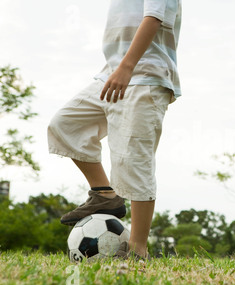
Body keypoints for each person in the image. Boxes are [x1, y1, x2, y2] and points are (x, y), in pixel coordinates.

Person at [47, 0, 182, 260]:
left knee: (134, 162)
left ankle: (137, 249)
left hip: (145, 78)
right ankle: (104, 194)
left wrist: (126, 67)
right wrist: (119, 69)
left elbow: (153, 18)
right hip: (111, 74)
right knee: (65, 124)